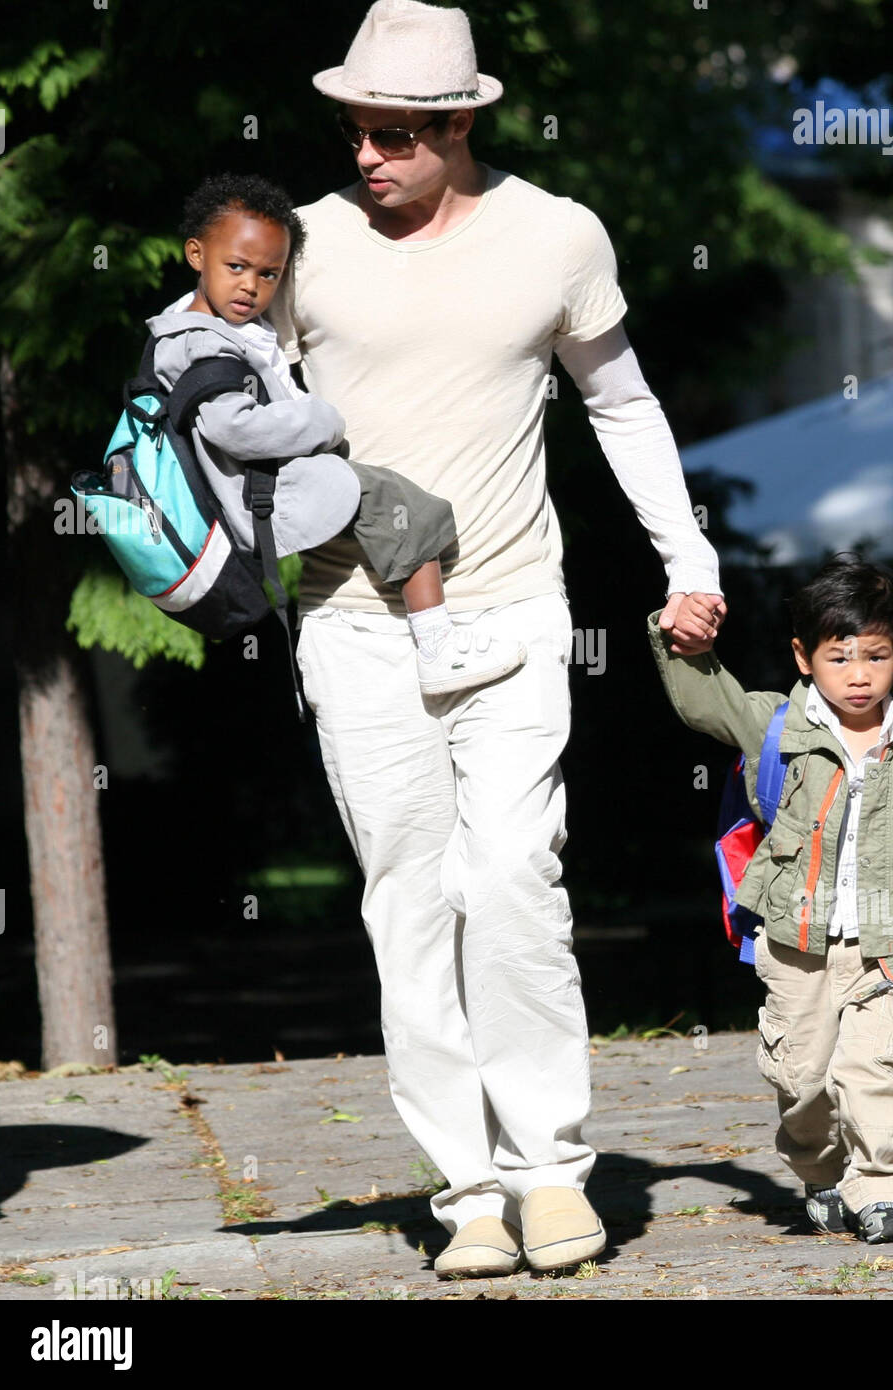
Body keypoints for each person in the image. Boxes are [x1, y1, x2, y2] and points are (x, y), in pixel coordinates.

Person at [268, 0, 724, 1276]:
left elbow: (622, 407)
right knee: (409, 899)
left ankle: (551, 1171)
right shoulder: (300, 244)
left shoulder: (555, 236)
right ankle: (466, 1188)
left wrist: (687, 561)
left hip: (514, 606)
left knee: (517, 873)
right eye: (358, 130)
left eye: (399, 134)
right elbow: (232, 410)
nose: (370, 156)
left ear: (459, 123)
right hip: (351, 623)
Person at [648, 554, 893, 1244]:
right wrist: (684, 644)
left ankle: (881, 1191)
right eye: (838, 656)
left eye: (874, 656)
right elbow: (704, 700)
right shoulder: (776, 727)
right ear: (803, 656)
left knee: (876, 1068)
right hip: (794, 942)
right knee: (803, 1081)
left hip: (885, 941)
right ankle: (820, 1173)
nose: (857, 673)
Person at [150, 172, 525, 697]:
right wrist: (323, 421)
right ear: (196, 254)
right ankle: (439, 647)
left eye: (268, 275)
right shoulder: (198, 343)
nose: (250, 286)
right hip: (261, 498)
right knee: (405, 507)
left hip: (267, 486)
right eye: (235, 267)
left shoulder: (202, 326)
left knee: (391, 505)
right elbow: (234, 427)